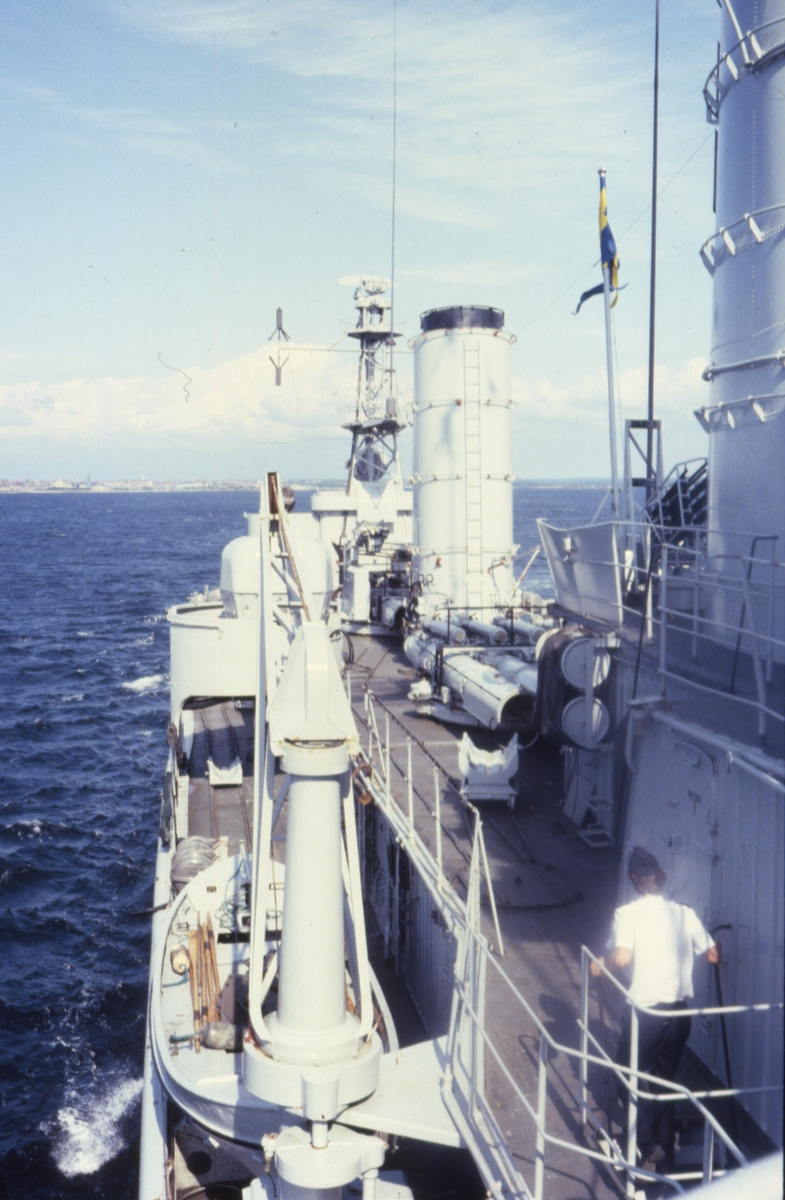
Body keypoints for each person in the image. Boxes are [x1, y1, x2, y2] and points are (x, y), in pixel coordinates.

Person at [591, 846, 721, 1174]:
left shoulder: (627, 914)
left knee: (626, 1073)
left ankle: (648, 1143)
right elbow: (713, 955)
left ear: (633, 879)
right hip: (679, 1016)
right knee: (665, 1081)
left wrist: (600, 966)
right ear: (660, 878)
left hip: (647, 1015)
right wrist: (713, 944)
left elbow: (621, 957)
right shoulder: (684, 913)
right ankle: (666, 1150)